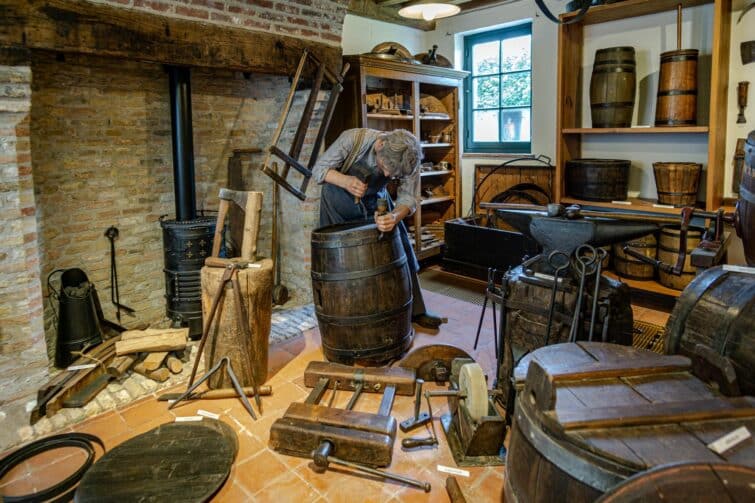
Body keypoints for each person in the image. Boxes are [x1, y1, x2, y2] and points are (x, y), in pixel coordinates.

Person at [312, 128, 444, 329]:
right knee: (343, 264)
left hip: (377, 201)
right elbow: (319, 169)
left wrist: (394, 216)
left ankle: (416, 310)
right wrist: (346, 181)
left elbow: (409, 198)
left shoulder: (410, 157)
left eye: (393, 174)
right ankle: (349, 320)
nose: (387, 175)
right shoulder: (353, 140)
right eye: (384, 168)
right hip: (338, 201)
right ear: (380, 146)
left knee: (401, 250)